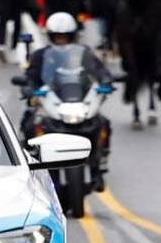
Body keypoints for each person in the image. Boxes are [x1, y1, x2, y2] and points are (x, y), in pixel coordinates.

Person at [20, 12, 113, 189]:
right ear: (51, 36)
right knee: (29, 124)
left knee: (103, 123)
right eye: (57, 37)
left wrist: (106, 82)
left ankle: (99, 166)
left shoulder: (84, 54)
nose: (61, 40)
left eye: (65, 37)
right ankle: (31, 165)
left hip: (76, 101)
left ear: (72, 36)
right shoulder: (41, 55)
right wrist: (30, 90)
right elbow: (31, 76)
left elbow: (100, 71)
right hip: (51, 103)